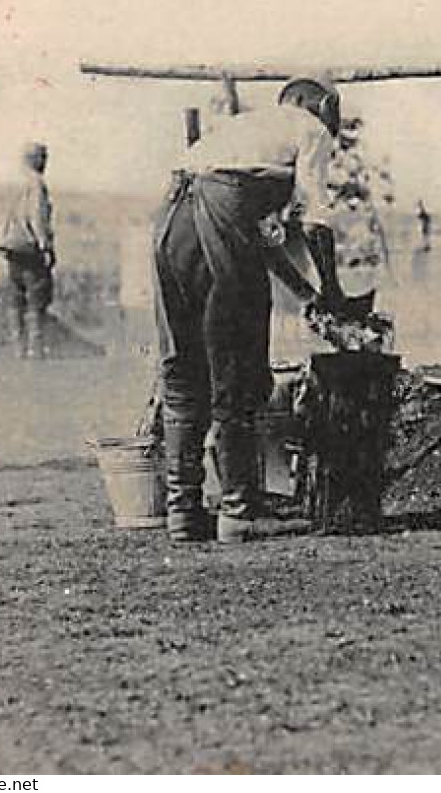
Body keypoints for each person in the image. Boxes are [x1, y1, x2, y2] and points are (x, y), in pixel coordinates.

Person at [152, 77, 348, 544]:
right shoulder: (310, 128)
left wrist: (306, 294)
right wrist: (335, 292)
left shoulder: (245, 131)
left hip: (169, 223)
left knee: (183, 369)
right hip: (216, 215)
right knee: (236, 366)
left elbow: (251, 237)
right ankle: (238, 511)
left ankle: (183, 512)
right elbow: (315, 218)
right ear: (323, 104)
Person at [0, 142, 56, 359]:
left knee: (15, 298)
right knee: (35, 298)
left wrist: (1, 241)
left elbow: (3, 216)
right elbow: (37, 216)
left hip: (12, 247)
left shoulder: (14, 183)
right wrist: (45, 246)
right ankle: (34, 349)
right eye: (44, 157)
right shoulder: (37, 184)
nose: (46, 162)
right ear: (38, 160)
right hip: (30, 249)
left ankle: (17, 348)